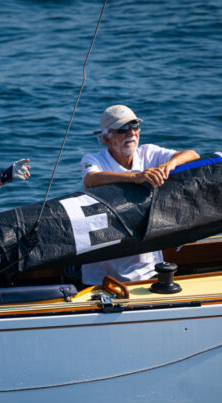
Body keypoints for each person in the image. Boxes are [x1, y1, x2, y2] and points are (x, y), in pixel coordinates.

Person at [80, 104, 199, 286]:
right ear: (107, 137)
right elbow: (91, 179)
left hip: (149, 269)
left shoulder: (149, 153)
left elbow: (192, 155)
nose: (131, 133)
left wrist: (169, 165)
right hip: (102, 277)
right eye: (123, 129)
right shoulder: (92, 160)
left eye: (135, 126)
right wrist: (136, 177)